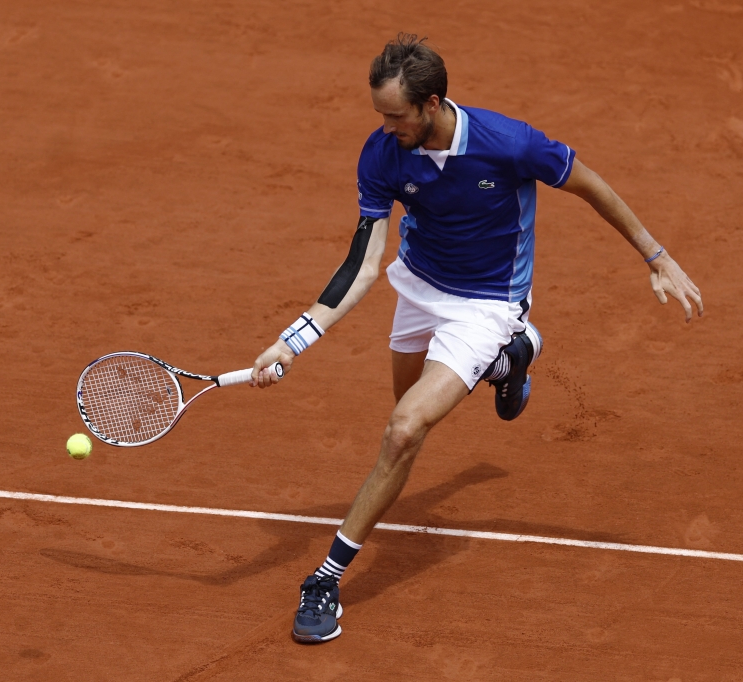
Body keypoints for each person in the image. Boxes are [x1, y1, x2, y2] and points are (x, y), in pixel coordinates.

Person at [250, 34, 702, 643]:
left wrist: (656, 255)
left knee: (404, 430)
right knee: (404, 407)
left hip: (488, 304)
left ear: (432, 103)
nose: (385, 127)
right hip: (419, 287)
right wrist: (293, 342)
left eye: (395, 115)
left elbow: (589, 183)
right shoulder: (383, 152)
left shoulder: (507, 143)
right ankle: (508, 363)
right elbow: (363, 262)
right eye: (380, 114)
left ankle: (325, 579)